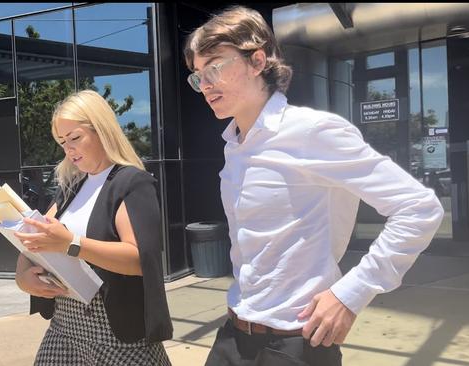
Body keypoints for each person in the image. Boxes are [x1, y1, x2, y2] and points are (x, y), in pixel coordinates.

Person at [183, 5, 444, 366]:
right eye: (197, 75)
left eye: (214, 66)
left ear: (257, 61)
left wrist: (350, 294)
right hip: (234, 333)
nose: (205, 83)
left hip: (295, 344)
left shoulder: (312, 131)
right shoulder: (234, 146)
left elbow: (419, 209)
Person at [13, 90, 173, 365]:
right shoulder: (71, 186)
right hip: (64, 329)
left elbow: (139, 260)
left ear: (102, 130)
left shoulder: (131, 182)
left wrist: (71, 243)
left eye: (75, 138)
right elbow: (35, 241)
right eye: (62, 142)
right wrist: (23, 278)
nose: (68, 149)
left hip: (116, 335)